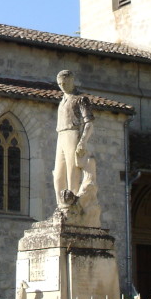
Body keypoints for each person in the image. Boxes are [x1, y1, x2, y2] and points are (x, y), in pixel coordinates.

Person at [52, 70, 94, 206]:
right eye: (59, 84)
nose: (62, 86)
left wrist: (82, 142)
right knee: (58, 175)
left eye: (64, 83)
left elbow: (89, 123)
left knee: (72, 171)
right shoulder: (62, 101)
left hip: (73, 133)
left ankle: (73, 204)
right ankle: (61, 206)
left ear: (71, 80)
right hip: (61, 135)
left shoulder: (80, 99)